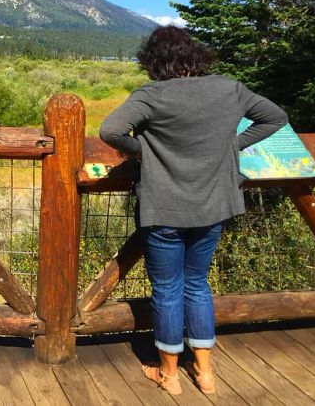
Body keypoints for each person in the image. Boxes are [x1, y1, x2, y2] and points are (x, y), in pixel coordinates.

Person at [99, 26, 287, 396]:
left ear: (153, 61)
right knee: (197, 284)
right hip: (214, 206)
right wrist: (232, 145)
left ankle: (169, 376)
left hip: (165, 209)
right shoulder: (229, 89)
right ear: (195, 56)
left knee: (168, 289)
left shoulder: (153, 95)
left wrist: (144, 152)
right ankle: (205, 373)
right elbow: (275, 117)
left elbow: (111, 130)